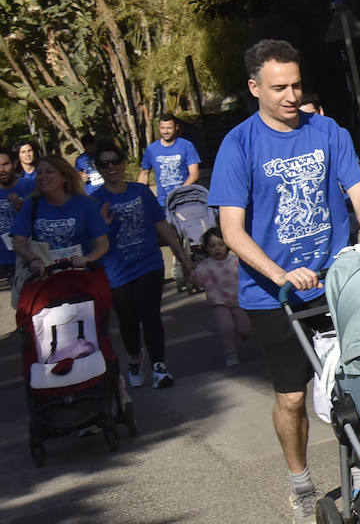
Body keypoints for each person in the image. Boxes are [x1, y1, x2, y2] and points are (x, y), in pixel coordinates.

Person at [208, 38, 360, 524]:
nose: (291, 95)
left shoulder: (328, 131)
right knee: (291, 397)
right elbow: (232, 230)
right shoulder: (238, 144)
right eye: (279, 87)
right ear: (254, 88)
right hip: (274, 295)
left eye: (297, 85)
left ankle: (358, 473)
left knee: (359, 381)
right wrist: (281, 274)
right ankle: (301, 484)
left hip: (335, 284)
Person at [90, 138, 196, 389]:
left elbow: (162, 225)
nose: (111, 167)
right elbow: (91, 240)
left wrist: (182, 256)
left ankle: (159, 367)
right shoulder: (94, 201)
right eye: (104, 164)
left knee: (150, 316)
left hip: (148, 265)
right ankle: (135, 357)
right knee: (128, 320)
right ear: (99, 169)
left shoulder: (140, 192)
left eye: (115, 161)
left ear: (124, 163)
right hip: (116, 271)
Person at [11, 155, 110, 295]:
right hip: (48, 283)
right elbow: (18, 241)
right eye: (39, 172)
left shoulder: (85, 204)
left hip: (83, 280)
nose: (43, 176)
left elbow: (102, 244)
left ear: (64, 177)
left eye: (49, 171)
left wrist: (88, 259)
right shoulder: (31, 204)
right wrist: (33, 259)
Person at [195, 227, 251, 368]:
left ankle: (243, 334)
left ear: (227, 245)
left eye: (221, 244)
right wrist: (188, 272)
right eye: (212, 246)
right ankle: (231, 353)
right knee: (226, 327)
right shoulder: (205, 265)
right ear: (206, 248)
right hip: (219, 303)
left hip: (238, 300)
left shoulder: (236, 261)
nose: (217, 249)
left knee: (245, 329)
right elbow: (197, 279)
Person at [139, 114, 201, 214]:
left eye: (169, 128)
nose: (165, 131)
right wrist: (139, 194)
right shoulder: (151, 149)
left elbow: (194, 174)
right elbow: (144, 173)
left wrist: (180, 192)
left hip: (186, 199)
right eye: (162, 128)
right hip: (164, 203)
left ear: (176, 128)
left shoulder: (186, 145)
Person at [0, 147, 37, 295]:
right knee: (22, 303)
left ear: (15, 164)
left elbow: (43, 218)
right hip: (6, 256)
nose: (1, 169)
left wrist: (21, 208)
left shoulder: (30, 187)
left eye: (5, 164)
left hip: (32, 253)